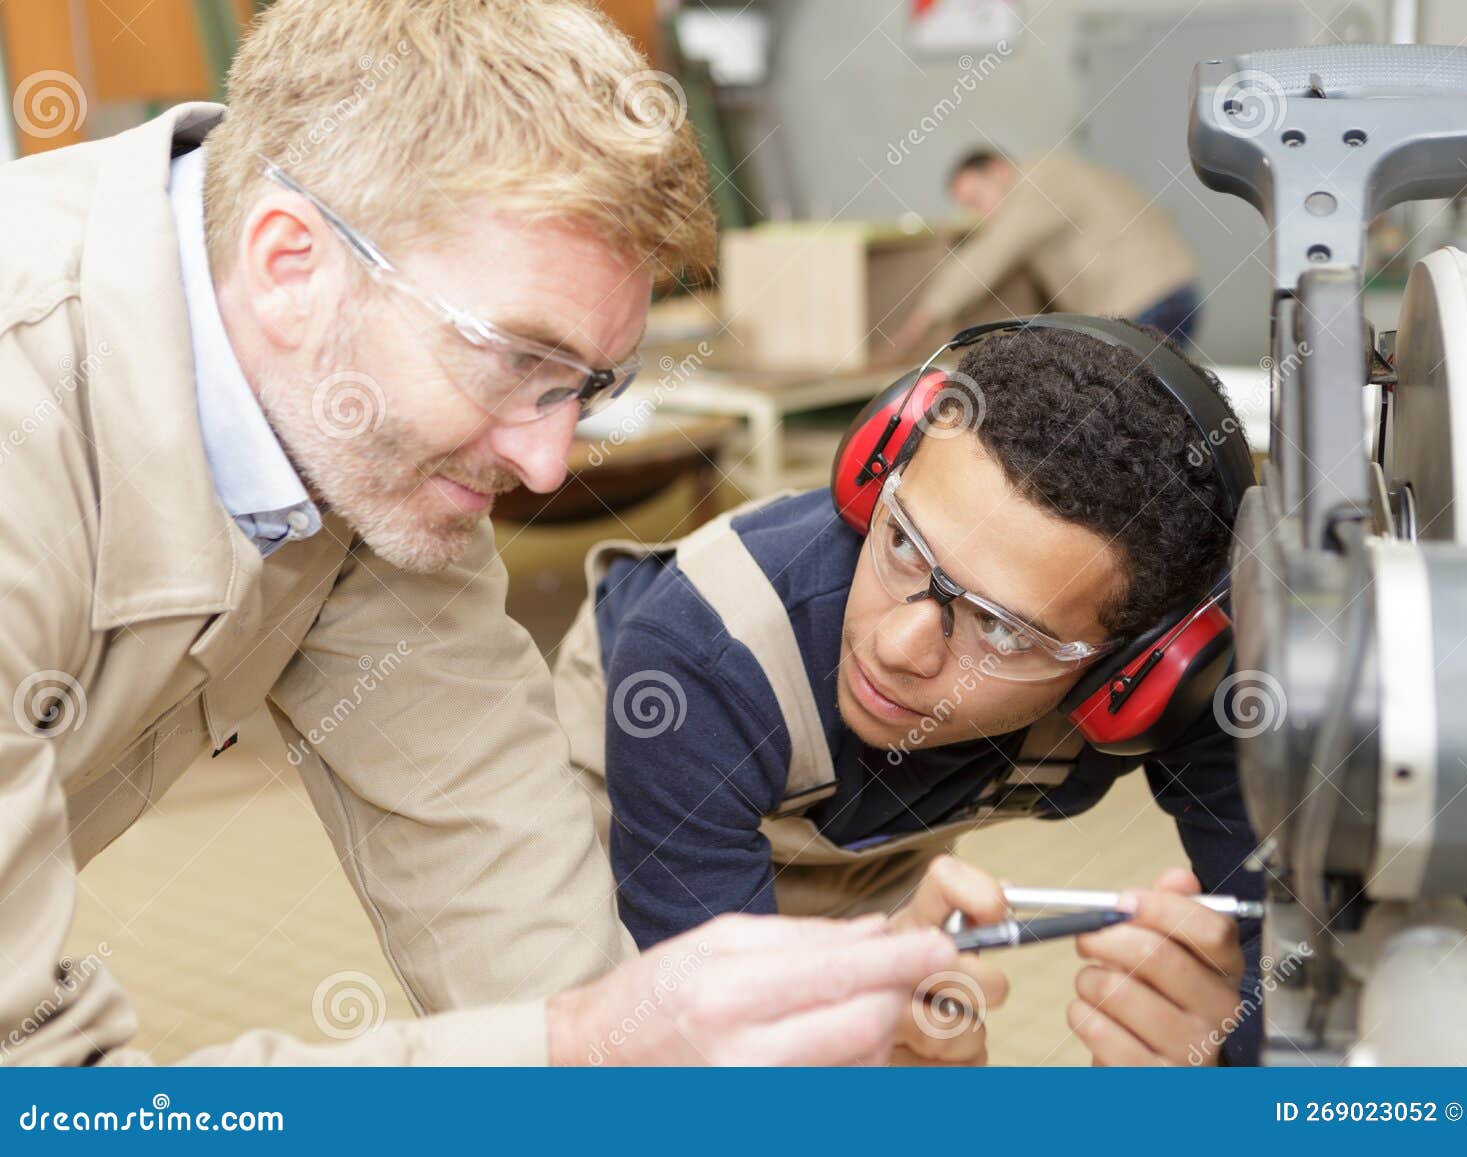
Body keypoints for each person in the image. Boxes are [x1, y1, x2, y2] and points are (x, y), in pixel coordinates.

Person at [0, 0, 956, 1067]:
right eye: (516, 361)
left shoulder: (354, 440)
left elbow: (502, 885)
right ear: (289, 267)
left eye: (585, 385)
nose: (548, 466)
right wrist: (578, 1047)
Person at [554, 319, 1264, 1066]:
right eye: (901, 541)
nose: (896, 649)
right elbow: (714, 1059)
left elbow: (1289, 940)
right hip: (644, 773)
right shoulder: (699, 661)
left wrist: (1227, 1072)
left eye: (1001, 629)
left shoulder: (1187, 682)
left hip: (867, 831)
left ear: (1135, 673)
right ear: (876, 472)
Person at [892, 149, 1203, 350]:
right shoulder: (1054, 173)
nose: (980, 214)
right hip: (1165, 291)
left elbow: (992, 253)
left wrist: (926, 312)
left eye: (976, 199)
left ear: (999, 170)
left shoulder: (1039, 185)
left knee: (1123, 402)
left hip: (1149, 300)